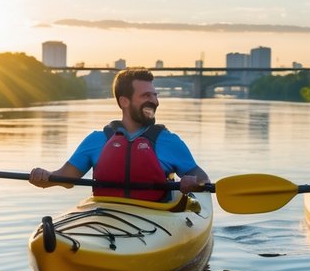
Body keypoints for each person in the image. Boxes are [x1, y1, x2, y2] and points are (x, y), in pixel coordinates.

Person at [29, 67, 210, 201]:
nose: (154, 101)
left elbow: (203, 179)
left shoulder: (169, 141)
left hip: (159, 215)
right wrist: (44, 177)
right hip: (108, 214)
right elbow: (66, 178)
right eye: (146, 96)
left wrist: (195, 182)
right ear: (124, 101)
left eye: (155, 95)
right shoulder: (96, 140)